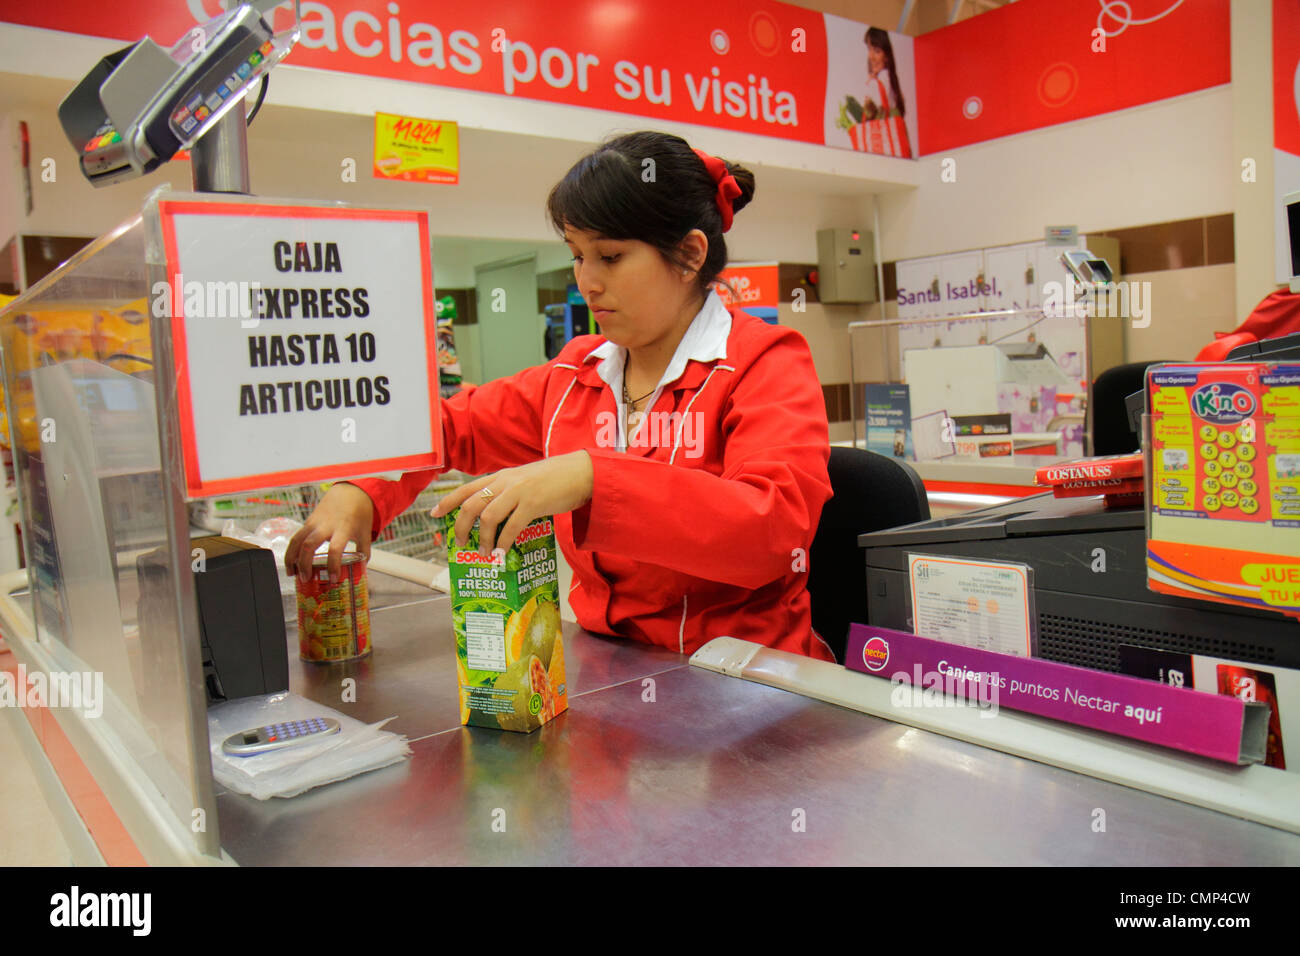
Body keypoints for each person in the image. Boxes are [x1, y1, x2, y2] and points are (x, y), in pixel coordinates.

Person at [285, 131, 836, 661]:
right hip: (617, 673)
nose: (586, 282)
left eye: (610, 257)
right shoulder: (575, 375)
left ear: (690, 255)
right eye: (577, 255)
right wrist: (359, 490)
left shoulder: (763, 362)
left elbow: (772, 529)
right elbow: (450, 427)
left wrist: (592, 477)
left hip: (751, 680)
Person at [839, 27, 912, 159]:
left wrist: (870, 82)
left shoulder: (879, 81)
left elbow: (870, 111)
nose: (871, 56)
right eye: (869, 50)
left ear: (887, 57)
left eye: (877, 51)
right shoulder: (891, 79)